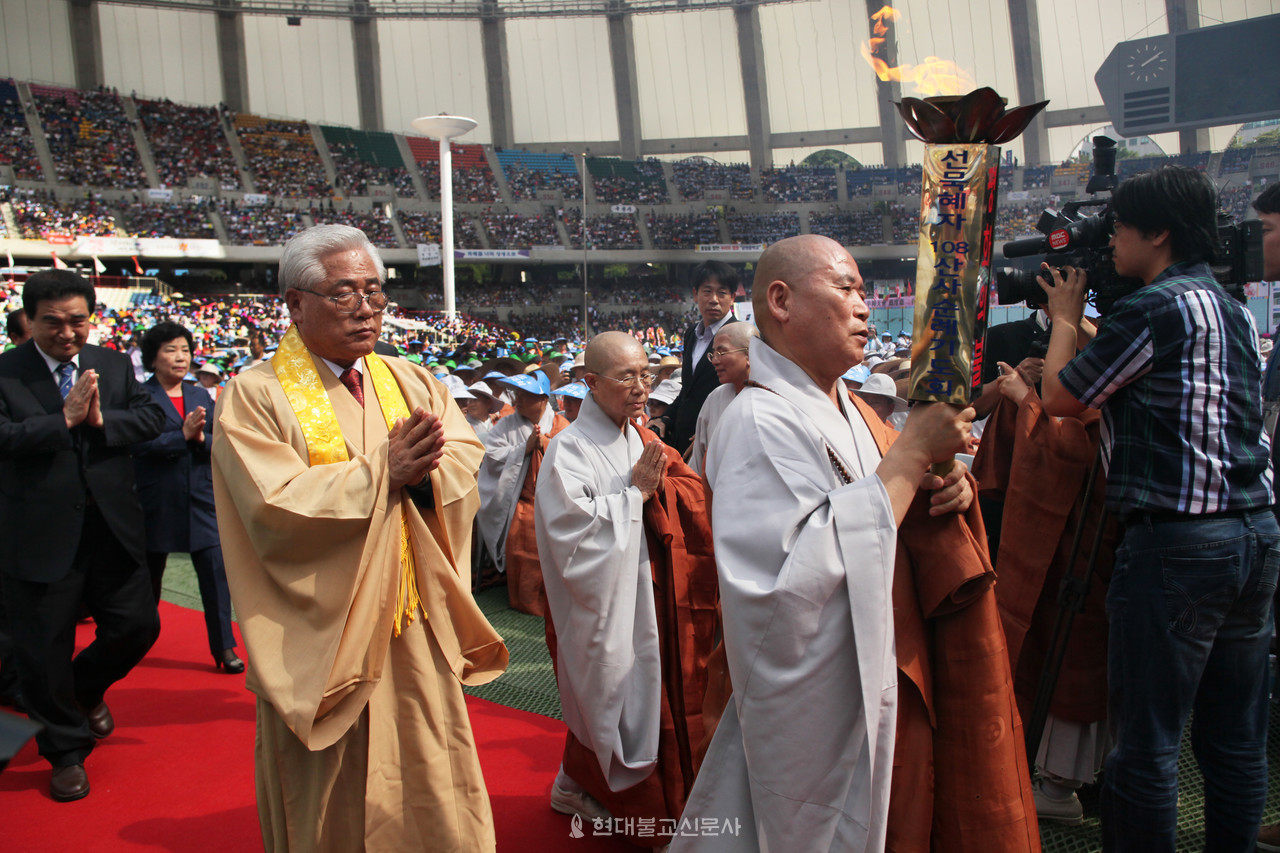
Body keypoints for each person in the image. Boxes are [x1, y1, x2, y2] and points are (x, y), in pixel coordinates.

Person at [673, 235, 1038, 852]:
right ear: (781, 301)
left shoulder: (846, 407)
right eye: (845, 289)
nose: (864, 307)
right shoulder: (757, 419)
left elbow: (883, 501)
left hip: (881, 660)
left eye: (864, 292)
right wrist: (914, 452)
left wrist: (939, 492)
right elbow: (789, 584)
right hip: (819, 705)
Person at [211, 225, 508, 852]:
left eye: (374, 291)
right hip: (329, 631)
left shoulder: (411, 380)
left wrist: (421, 477)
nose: (366, 307)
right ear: (295, 304)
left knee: (432, 763)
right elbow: (271, 502)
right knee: (335, 789)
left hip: (412, 618)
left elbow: (464, 458)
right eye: (343, 293)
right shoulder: (255, 395)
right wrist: (383, 474)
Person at [1038, 166, 1277, 853]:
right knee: (1234, 736)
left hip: (1178, 545)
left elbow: (1062, 398)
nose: (1111, 240)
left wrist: (1061, 321)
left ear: (1158, 232)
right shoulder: (1226, 306)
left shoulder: (1153, 308)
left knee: (1146, 744)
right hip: (1254, 535)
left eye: (1119, 226)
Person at [534, 331, 718, 847]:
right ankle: (639, 811)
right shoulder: (568, 449)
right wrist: (634, 494)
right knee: (617, 693)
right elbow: (570, 538)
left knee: (646, 693)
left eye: (646, 375)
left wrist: (664, 488)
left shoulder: (637, 435)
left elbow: (680, 490)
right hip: (606, 599)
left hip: (647, 589)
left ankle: (574, 784)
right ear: (591, 383)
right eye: (627, 377)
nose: (641, 388)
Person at [0, 269, 166, 802]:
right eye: (53, 322)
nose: (67, 332)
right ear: (30, 320)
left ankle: (82, 690)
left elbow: (152, 419)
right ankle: (66, 753)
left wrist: (99, 421)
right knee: (43, 652)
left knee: (137, 627)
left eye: (78, 321)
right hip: (39, 536)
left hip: (112, 530)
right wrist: (62, 422)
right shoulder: (6, 371)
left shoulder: (113, 365)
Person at [130, 322, 242, 674]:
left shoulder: (199, 395)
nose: (180, 357)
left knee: (215, 575)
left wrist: (198, 439)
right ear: (152, 357)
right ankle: (134, 641)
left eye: (184, 350)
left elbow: (217, 442)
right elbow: (138, 446)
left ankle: (224, 647)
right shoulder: (140, 396)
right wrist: (181, 435)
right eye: (170, 350)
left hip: (201, 500)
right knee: (149, 578)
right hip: (157, 502)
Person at [476, 372, 568, 616]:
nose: (518, 401)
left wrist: (545, 444)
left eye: (526, 396)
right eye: (517, 395)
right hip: (521, 499)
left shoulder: (562, 426)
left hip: (558, 499)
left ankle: (557, 598)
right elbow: (492, 456)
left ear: (543, 400)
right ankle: (526, 598)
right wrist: (523, 449)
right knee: (523, 530)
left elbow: (572, 461)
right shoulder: (506, 425)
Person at [649, 261, 739, 454]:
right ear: (695, 294)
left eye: (721, 293)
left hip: (718, 443)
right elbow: (688, 392)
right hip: (685, 442)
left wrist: (716, 428)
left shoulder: (740, 337)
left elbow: (743, 392)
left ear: (732, 298)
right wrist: (665, 418)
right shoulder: (691, 334)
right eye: (707, 292)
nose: (713, 299)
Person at [688, 322, 757, 476]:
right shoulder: (715, 399)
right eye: (713, 354)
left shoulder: (774, 397)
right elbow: (698, 464)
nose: (715, 361)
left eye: (722, 353)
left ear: (750, 354)